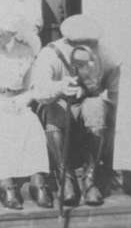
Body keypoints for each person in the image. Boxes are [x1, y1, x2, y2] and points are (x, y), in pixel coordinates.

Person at [31, 14, 121, 206]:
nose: (86, 47)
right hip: (59, 107)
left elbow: (116, 93)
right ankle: (65, 178)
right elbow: (38, 91)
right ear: (67, 41)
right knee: (54, 109)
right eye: (79, 43)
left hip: (87, 108)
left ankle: (90, 178)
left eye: (91, 43)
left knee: (96, 106)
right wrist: (60, 88)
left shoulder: (105, 55)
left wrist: (99, 97)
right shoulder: (51, 53)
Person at [0, 12, 52, 210]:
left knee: (32, 123)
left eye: (0, 33)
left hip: (18, 98)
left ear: (14, 33)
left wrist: (23, 100)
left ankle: (38, 181)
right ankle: (5, 183)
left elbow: (33, 86)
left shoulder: (25, 51)